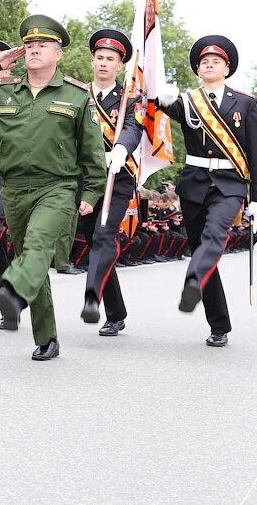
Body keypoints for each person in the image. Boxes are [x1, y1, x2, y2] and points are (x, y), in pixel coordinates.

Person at [0, 14, 106, 361]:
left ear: (58, 54)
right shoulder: (0, 91)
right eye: (30, 45)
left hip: (58, 187)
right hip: (14, 187)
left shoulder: (77, 96)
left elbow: (92, 151)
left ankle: (14, 290)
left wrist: (91, 193)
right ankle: (47, 336)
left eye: (43, 46)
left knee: (37, 247)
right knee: (29, 258)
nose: (35, 50)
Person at [156, 35, 257, 347]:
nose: (209, 65)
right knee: (201, 250)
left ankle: (193, 278)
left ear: (226, 68)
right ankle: (218, 325)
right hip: (194, 184)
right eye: (204, 62)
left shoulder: (244, 102)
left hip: (230, 184)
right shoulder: (190, 101)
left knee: (214, 236)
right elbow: (164, 110)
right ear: (197, 70)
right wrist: (161, 99)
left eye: (215, 61)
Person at [77, 30, 144, 338]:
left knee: (104, 236)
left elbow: (133, 127)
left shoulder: (131, 98)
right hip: (85, 178)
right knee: (93, 241)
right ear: (92, 61)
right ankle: (116, 313)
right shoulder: (77, 94)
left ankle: (93, 297)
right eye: (100, 58)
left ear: (120, 66)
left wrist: (121, 148)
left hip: (117, 177)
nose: (104, 64)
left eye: (111, 60)